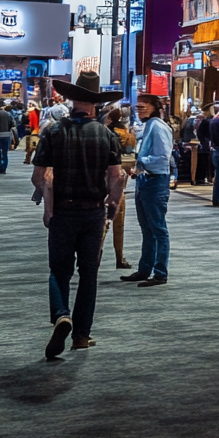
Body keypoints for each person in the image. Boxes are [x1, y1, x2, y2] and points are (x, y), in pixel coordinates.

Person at [30, 72, 125, 357]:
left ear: (72, 99)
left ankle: (62, 315)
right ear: (96, 104)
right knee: (89, 274)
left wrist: (48, 209)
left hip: (62, 211)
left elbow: (41, 178)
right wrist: (112, 206)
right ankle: (82, 335)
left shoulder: (53, 131)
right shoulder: (106, 134)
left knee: (59, 270)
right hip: (93, 213)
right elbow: (116, 177)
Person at [122, 95, 172, 287]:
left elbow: (162, 158)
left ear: (154, 107)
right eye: (138, 106)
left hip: (155, 182)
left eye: (143, 106)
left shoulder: (158, 126)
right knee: (147, 230)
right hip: (146, 180)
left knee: (158, 229)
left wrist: (138, 161)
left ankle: (160, 272)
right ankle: (145, 269)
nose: (139, 108)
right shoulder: (150, 125)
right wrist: (138, 168)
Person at [103, 108, 136, 271]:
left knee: (104, 222)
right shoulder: (127, 133)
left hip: (104, 180)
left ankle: (96, 257)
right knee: (119, 222)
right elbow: (131, 154)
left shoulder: (105, 132)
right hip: (122, 177)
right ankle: (119, 257)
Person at [193, 103, 215, 186]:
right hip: (206, 144)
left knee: (204, 161)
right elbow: (209, 133)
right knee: (206, 162)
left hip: (204, 144)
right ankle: (205, 178)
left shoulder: (205, 121)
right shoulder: (208, 121)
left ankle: (201, 178)